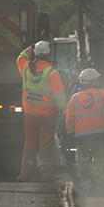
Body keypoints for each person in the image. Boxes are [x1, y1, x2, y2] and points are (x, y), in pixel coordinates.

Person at [65, 68, 104, 191]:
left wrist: (71, 134)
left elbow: (69, 119)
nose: (98, 82)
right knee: (99, 158)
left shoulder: (74, 98)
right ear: (92, 81)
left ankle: (87, 183)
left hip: (81, 136)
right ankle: (100, 183)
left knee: (82, 159)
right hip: (98, 134)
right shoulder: (101, 93)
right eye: (96, 80)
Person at [16, 40, 67, 182]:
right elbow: (58, 96)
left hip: (30, 113)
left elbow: (20, 57)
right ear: (49, 55)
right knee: (45, 144)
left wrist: (30, 48)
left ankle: (25, 173)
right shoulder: (52, 73)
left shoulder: (26, 68)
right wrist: (66, 111)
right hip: (47, 115)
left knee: (29, 143)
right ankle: (46, 174)